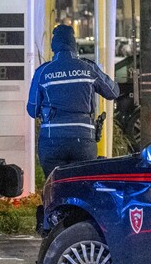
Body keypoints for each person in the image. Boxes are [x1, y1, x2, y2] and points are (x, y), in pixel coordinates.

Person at [27, 25, 120, 177]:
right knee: (81, 187)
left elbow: (32, 109)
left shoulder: (43, 71)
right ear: (74, 44)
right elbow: (113, 92)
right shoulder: (88, 68)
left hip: (52, 141)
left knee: (54, 188)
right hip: (83, 140)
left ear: (53, 45)